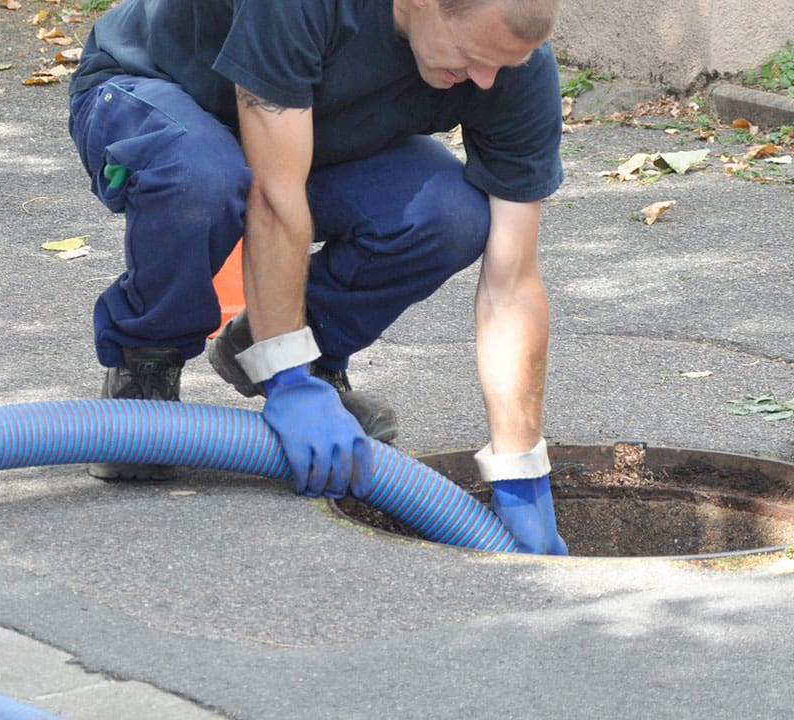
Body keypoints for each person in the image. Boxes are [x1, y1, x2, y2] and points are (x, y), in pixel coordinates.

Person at [67, 0, 568, 555]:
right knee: (201, 179)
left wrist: (521, 472)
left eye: (502, 66)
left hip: (308, 133)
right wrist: (287, 381)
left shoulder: (511, 67)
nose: (485, 80)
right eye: (472, 57)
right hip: (158, 96)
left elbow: (513, 283)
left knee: (451, 215)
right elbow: (274, 200)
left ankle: (278, 346)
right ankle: (146, 365)